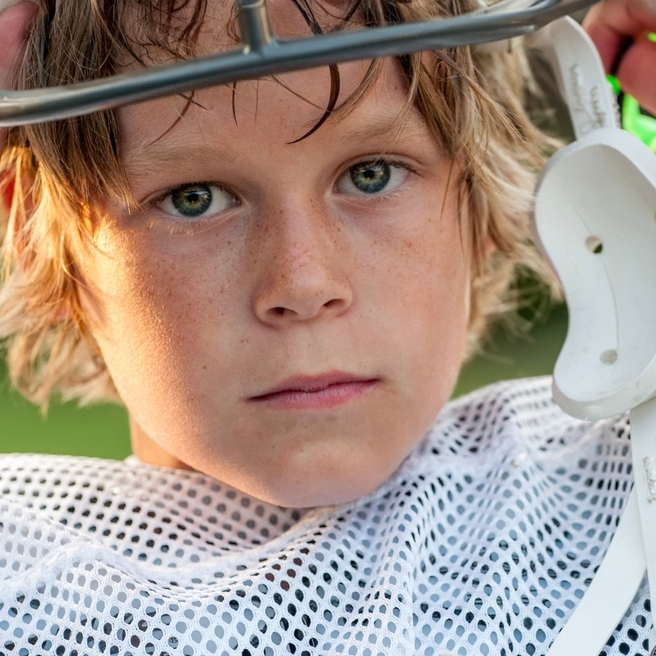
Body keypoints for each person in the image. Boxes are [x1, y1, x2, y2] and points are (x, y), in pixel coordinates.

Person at [0, 0, 655, 653]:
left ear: (479, 193)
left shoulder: (623, 509)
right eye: (193, 198)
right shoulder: (30, 603)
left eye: (370, 175)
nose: (304, 285)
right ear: (27, 230)